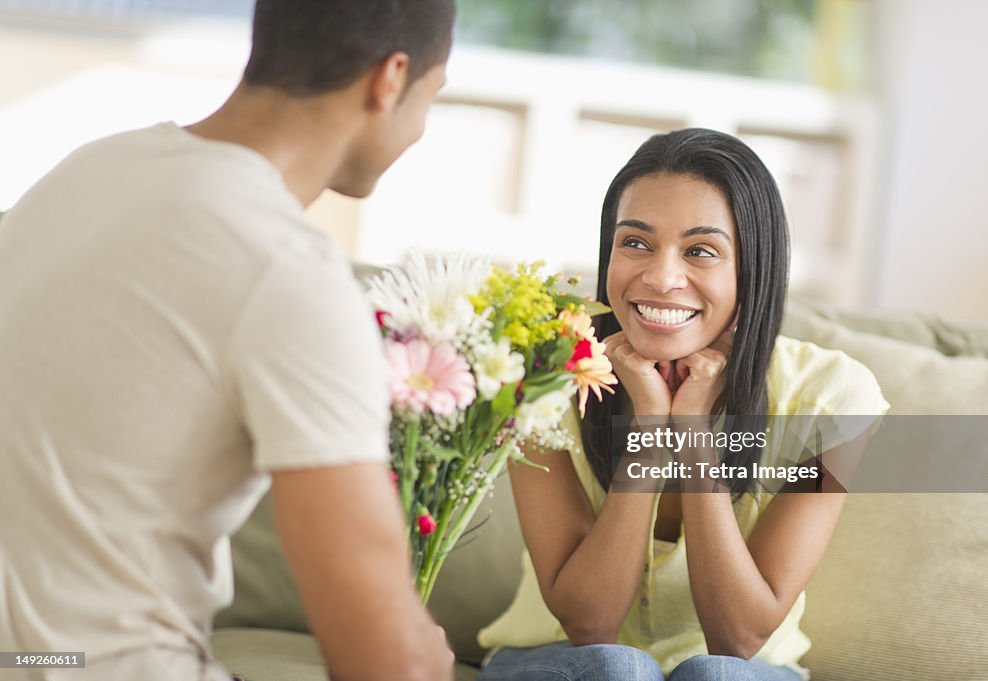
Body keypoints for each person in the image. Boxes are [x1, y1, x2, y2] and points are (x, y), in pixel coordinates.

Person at [0, 2, 456, 680]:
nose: (421, 129)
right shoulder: (287, 269)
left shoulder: (91, 168)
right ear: (389, 79)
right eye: (433, 96)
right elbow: (382, 657)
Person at [476, 128, 889, 680]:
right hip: (562, 663)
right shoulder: (545, 374)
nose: (660, 277)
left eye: (700, 251)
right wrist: (650, 430)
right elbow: (589, 626)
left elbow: (738, 637)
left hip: (747, 672)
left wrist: (692, 431)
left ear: (752, 271)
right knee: (615, 668)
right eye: (636, 243)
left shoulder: (833, 398)